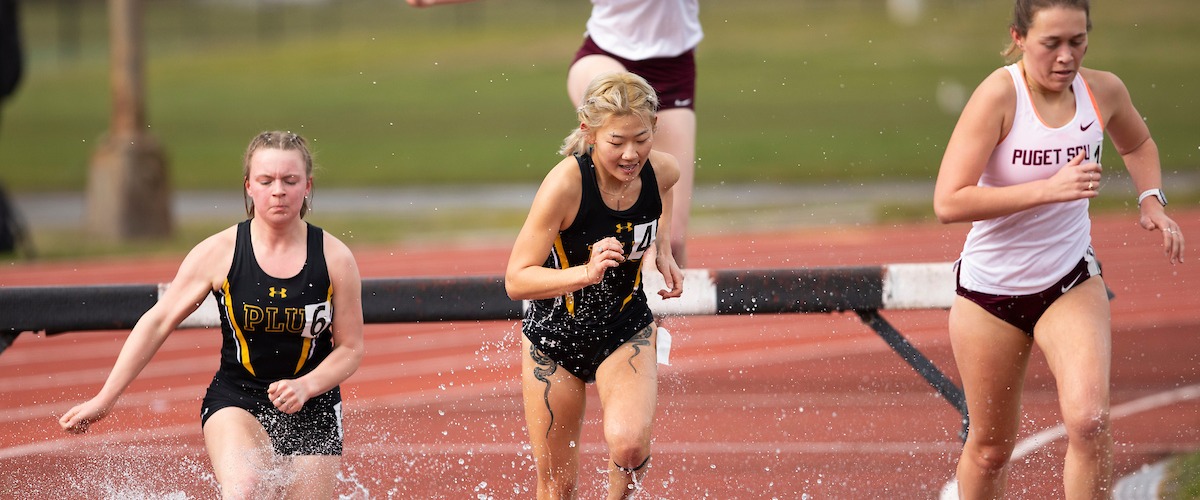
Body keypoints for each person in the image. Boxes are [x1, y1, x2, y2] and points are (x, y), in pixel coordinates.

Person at [932, 0, 1185, 497]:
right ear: (1020, 37)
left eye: (1077, 41)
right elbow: (948, 200)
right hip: (988, 296)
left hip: (1069, 282)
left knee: (1090, 421)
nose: (1066, 56)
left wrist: (1151, 199)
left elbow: (1138, 145)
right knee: (989, 449)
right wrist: (1049, 188)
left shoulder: (1103, 90)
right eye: (1052, 43)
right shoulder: (998, 96)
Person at [59, 131, 365, 498]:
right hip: (238, 397)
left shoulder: (335, 258)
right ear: (249, 186)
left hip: (312, 401)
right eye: (266, 180)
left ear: (308, 186)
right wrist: (104, 399)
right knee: (245, 488)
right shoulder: (218, 252)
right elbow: (158, 321)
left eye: (290, 180)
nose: (278, 190)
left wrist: (306, 386)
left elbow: (350, 348)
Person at [407, 0, 701, 267]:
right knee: (619, 103)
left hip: (674, 69)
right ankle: (582, 215)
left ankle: (656, 325)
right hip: (605, 56)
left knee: (672, 242)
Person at [505, 71, 683, 498]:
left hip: (626, 327)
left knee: (630, 444)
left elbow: (667, 189)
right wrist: (585, 272)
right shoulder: (566, 184)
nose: (630, 154)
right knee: (557, 486)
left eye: (641, 139)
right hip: (555, 338)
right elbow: (516, 279)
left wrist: (663, 246)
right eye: (616, 142)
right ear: (589, 132)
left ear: (654, 129)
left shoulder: (660, 169)